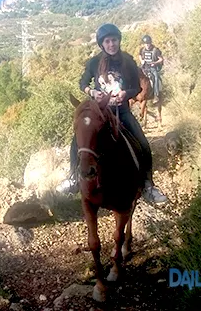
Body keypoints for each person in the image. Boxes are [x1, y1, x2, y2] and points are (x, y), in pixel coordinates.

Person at [57, 23, 168, 205]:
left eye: (114, 40)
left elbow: (137, 87)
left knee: (143, 143)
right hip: (100, 112)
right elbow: (83, 82)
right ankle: (73, 177)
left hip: (122, 111)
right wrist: (92, 92)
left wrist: (126, 94)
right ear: (102, 44)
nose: (111, 44)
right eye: (107, 41)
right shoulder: (94, 62)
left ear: (119, 41)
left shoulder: (128, 61)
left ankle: (148, 185)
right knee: (78, 140)